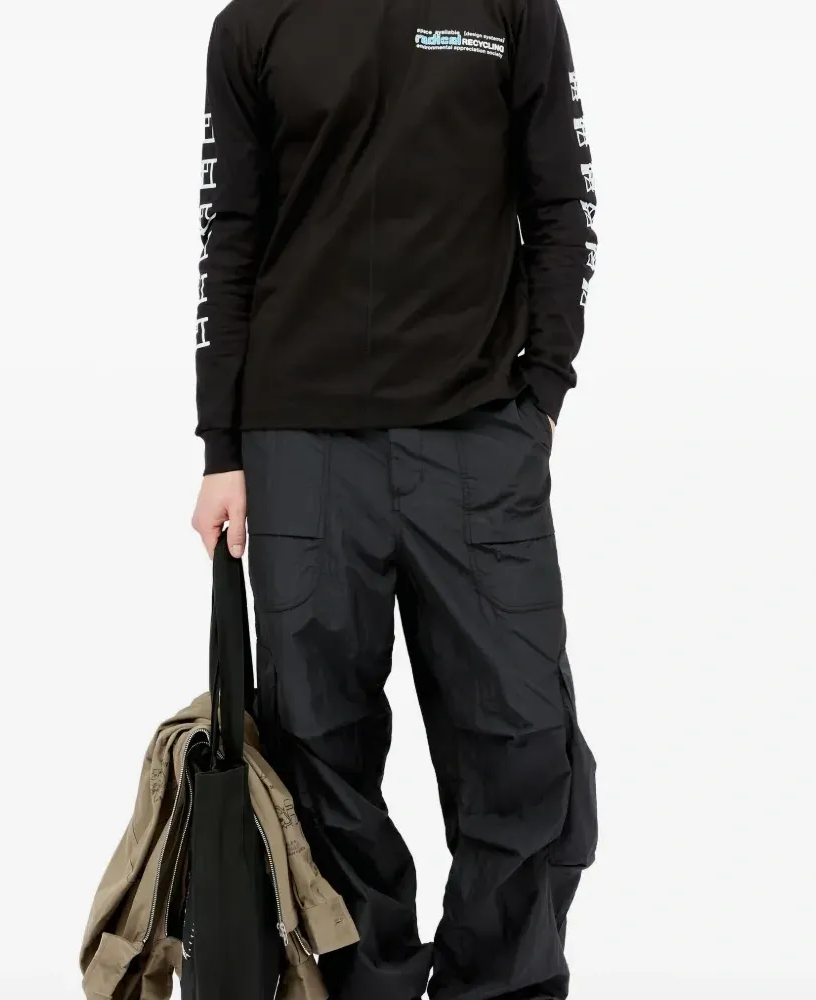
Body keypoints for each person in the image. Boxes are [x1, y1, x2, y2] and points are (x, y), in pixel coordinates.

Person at [191, 1, 598, 997]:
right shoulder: (252, 25)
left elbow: (562, 204)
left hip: (478, 431)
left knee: (522, 741)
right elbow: (228, 235)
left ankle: (497, 984)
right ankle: (360, 983)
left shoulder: (511, 9)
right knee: (316, 749)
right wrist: (221, 448)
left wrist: (543, 391)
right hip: (297, 441)